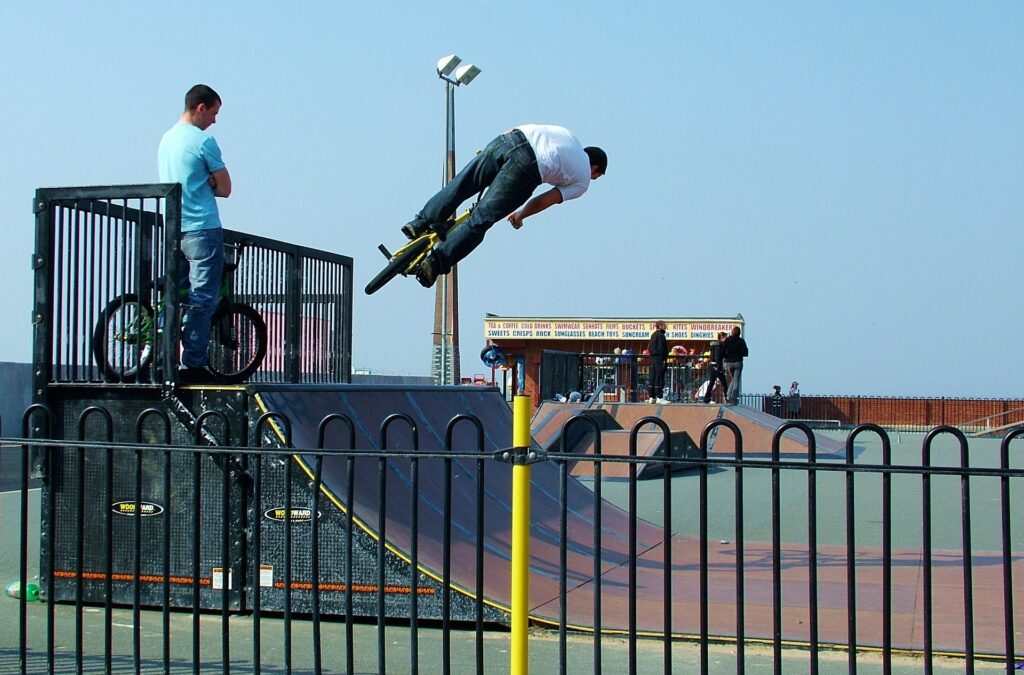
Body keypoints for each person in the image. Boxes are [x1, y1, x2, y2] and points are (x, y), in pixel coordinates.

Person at [402, 124, 607, 288]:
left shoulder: (568, 136)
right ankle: (435, 263)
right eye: (596, 176)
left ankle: (420, 222)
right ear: (595, 169)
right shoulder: (583, 180)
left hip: (508, 140)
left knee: (461, 186)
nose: (593, 179)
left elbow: (516, 128)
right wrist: (520, 216)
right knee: (480, 220)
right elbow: (543, 201)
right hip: (528, 167)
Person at [158, 84, 232, 384]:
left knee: (175, 296)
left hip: (173, 227)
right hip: (202, 227)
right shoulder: (204, 141)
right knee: (204, 299)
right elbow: (226, 188)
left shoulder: (166, 140)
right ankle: (193, 364)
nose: (214, 120)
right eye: (213, 112)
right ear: (200, 107)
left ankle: (161, 358)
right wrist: (211, 183)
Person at [722, 326, 749, 404]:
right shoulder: (741, 341)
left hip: (729, 363)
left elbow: (723, 351)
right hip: (738, 362)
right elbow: (745, 352)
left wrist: (726, 357)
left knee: (733, 379)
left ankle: (727, 395)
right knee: (736, 380)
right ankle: (733, 398)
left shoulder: (727, 340)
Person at [702, 332, 728, 404]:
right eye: (725, 337)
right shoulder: (718, 346)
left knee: (711, 382)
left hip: (713, 366)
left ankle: (707, 398)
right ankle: (726, 397)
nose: (726, 339)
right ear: (721, 337)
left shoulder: (715, 346)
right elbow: (718, 357)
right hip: (717, 366)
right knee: (724, 383)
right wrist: (719, 368)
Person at [646, 321, 668, 403]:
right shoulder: (661, 335)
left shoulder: (653, 335)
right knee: (659, 377)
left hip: (653, 358)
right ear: (660, 326)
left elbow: (649, 347)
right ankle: (659, 396)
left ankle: (652, 396)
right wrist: (663, 358)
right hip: (659, 358)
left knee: (653, 376)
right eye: (664, 325)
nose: (665, 326)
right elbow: (661, 348)